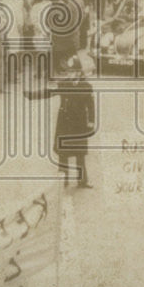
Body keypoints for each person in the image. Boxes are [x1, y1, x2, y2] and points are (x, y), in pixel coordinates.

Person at [26, 55, 96, 188]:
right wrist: (31, 95)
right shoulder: (63, 84)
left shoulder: (86, 86)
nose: (69, 74)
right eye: (68, 72)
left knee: (80, 155)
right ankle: (63, 181)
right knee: (63, 154)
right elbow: (48, 92)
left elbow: (91, 105)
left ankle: (83, 181)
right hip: (64, 123)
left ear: (79, 72)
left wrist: (91, 122)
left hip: (79, 125)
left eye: (72, 71)